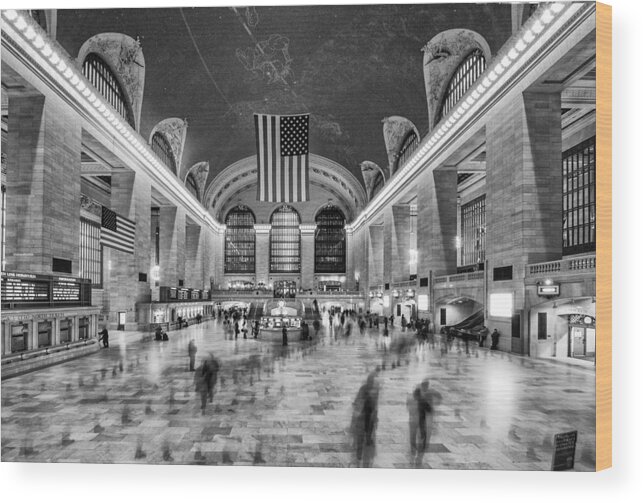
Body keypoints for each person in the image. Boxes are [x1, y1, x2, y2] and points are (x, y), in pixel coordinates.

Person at [351, 371, 380, 467]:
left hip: (368, 415)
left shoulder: (373, 390)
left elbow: (375, 404)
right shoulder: (365, 389)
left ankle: (362, 453)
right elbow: (359, 399)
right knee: (362, 436)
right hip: (364, 415)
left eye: (371, 381)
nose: (371, 382)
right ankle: (360, 455)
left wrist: (375, 415)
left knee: (366, 433)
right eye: (370, 381)